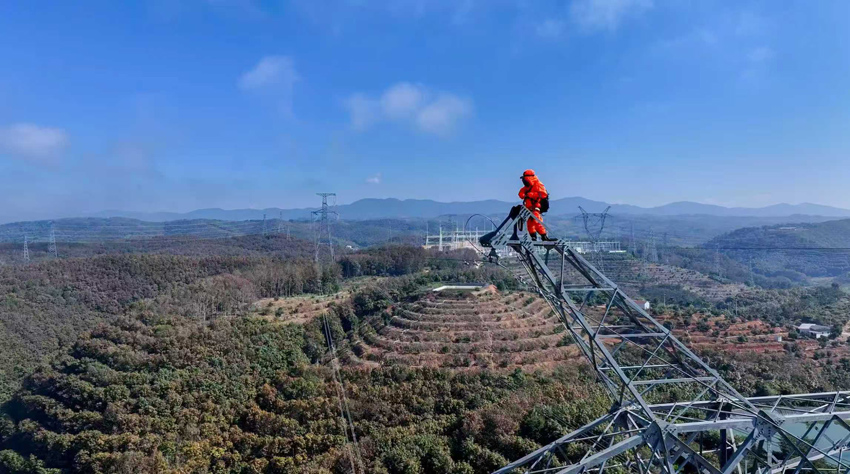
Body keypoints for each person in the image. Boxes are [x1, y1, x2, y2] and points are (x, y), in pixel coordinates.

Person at [518, 169, 553, 241]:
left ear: (528, 178)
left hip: (536, 207)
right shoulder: (526, 188)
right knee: (531, 222)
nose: (523, 181)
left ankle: (543, 236)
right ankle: (534, 236)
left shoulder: (538, 184)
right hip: (528, 208)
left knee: (535, 221)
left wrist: (531, 195)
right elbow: (521, 194)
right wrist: (524, 195)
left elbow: (543, 194)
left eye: (524, 179)